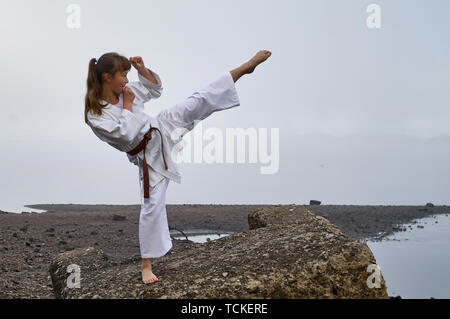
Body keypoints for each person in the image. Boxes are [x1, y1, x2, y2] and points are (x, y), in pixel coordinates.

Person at [84, 50, 272, 284]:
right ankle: (146, 265)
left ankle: (244, 68)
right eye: (122, 75)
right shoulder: (96, 114)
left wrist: (143, 71)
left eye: (127, 74)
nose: (126, 79)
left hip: (162, 126)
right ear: (106, 77)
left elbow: (155, 89)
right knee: (152, 205)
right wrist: (129, 106)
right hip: (147, 156)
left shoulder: (125, 91)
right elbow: (125, 135)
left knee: (197, 101)